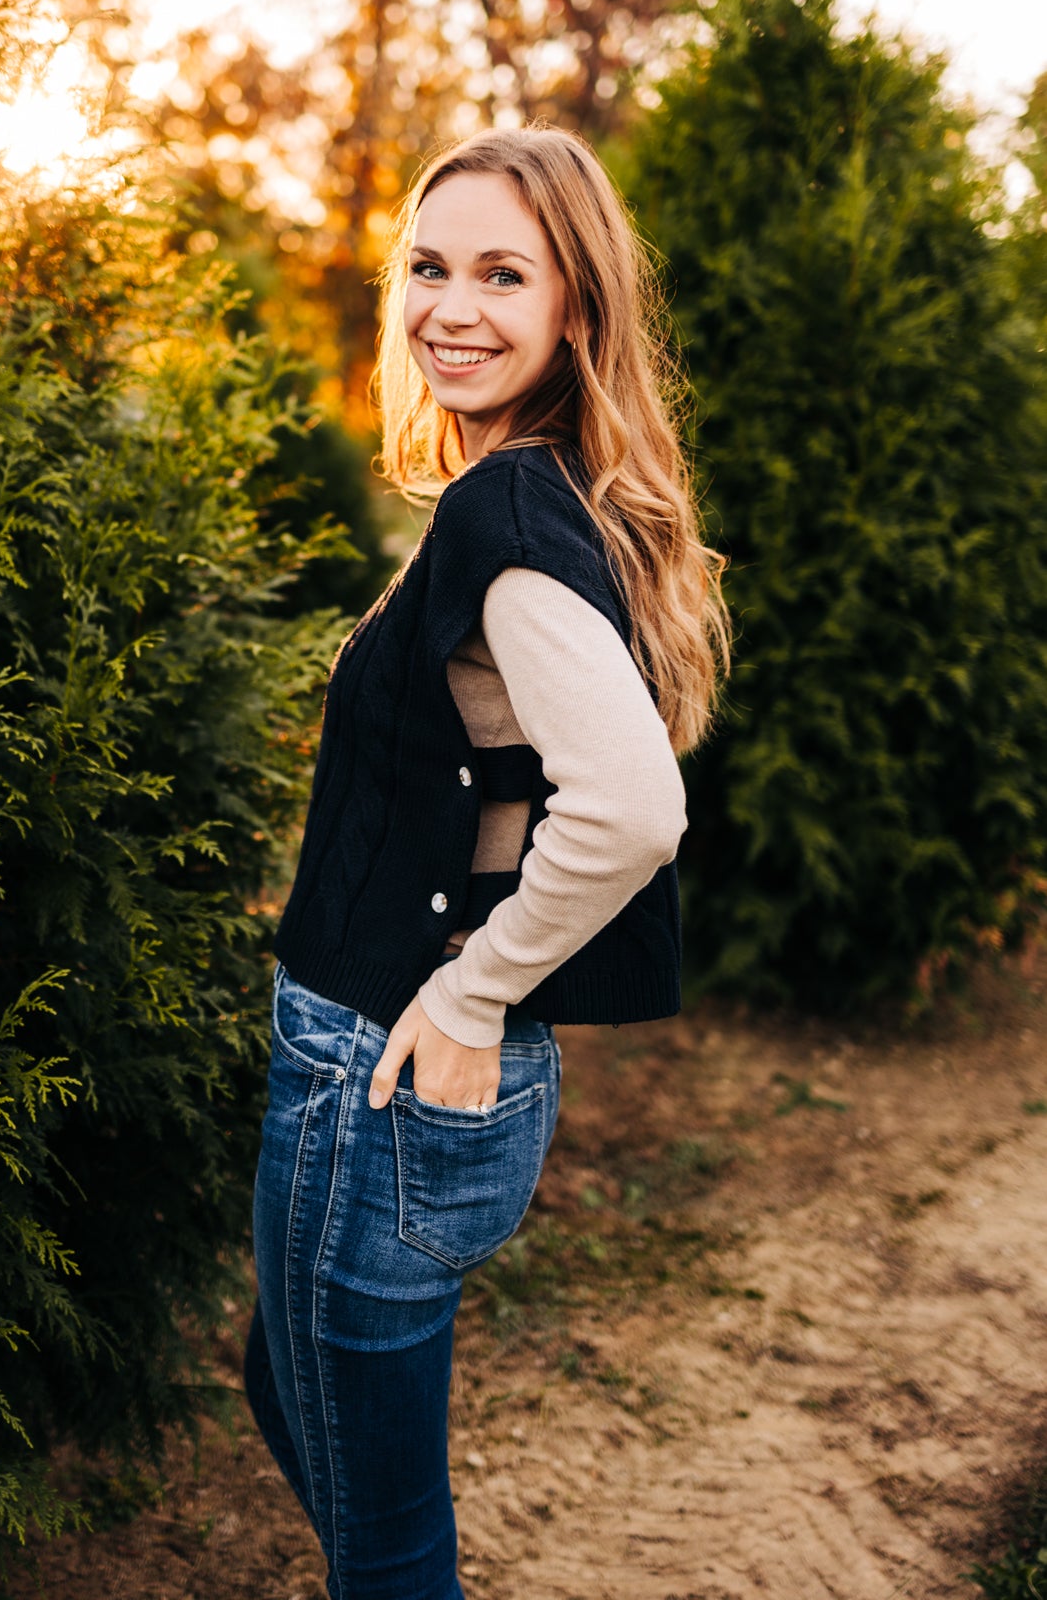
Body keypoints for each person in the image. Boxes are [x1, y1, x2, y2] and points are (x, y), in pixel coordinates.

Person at [243, 125, 730, 1599]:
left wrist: (469, 993)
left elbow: (632, 807)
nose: (450, 307)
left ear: (575, 306)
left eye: (503, 274)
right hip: (409, 1077)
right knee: (287, 1384)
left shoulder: (505, 509)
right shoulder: (552, 489)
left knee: (385, 1548)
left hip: (378, 1080)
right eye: (429, 267)